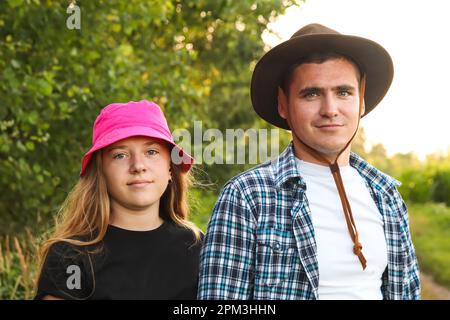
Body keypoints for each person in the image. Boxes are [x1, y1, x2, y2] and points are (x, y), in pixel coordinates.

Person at [198, 23, 420, 300]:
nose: (330, 110)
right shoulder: (247, 197)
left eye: (343, 92)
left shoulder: (386, 195)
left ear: (361, 100)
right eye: (311, 94)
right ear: (283, 104)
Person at [35, 100, 202, 300]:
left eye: (152, 152)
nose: (138, 166)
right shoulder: (71, 255)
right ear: (101, 172)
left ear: (170, 168)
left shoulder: (198, 246)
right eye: (120, 155)